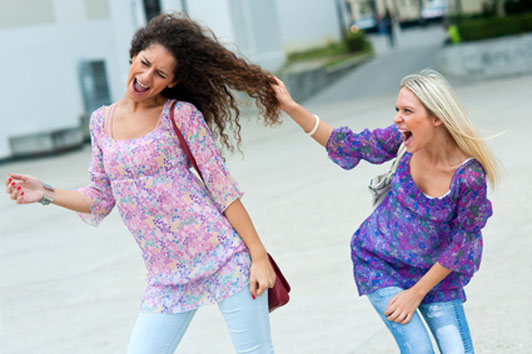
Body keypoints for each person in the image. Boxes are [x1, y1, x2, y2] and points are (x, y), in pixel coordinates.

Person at [6, 12, 281, 354]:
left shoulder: (181, 116)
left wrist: (258, 256)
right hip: (165, 277)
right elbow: (100, 197)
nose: (146, 76)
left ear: (171, 82)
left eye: (160, 73)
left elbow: (222, 188)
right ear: (133, 56)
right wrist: (44, 193)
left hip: (222, 257)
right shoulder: (100, 122)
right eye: (145, 63)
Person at [271, 69, 497, 353]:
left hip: (434, 276)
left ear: (437, 117)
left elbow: (463, 245)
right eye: (397, 109)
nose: (396, 118)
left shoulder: (469, 176)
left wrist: (416, 293)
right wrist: (290, 107)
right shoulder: (403, 140)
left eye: (406, 110)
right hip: (380, 264)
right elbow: (348, 145)